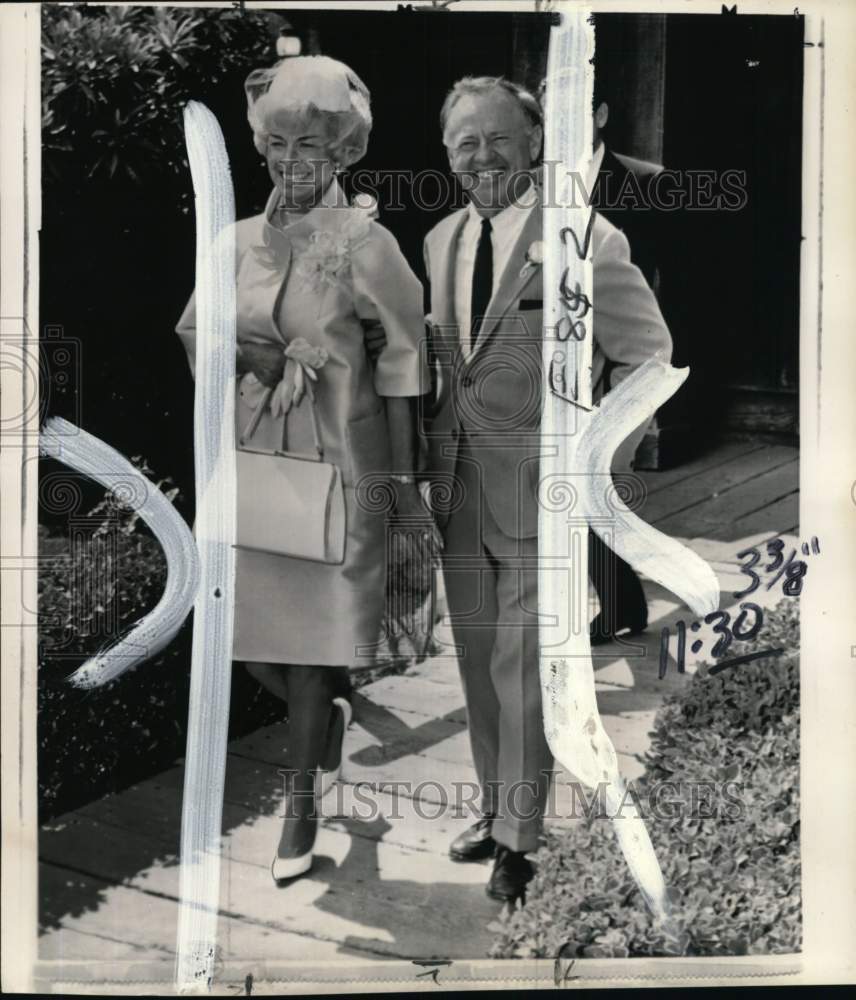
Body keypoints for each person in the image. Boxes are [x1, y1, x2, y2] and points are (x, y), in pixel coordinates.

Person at [176, 55, 430, 882]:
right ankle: (324, 722)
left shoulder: (368, 241)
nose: (293, 159)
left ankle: (299, 811)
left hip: (344, 466)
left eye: (313, 143)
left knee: (315, 645)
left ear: (344, 150)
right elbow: (196, 336)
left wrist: (403, 491)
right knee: (257, 651)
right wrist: (244, 354)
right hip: (255, 463)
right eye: (279, 141)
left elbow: (404, 368)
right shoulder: (236, 240)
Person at [422, 76, 672, 902]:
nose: (482, 156)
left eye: (499, 138)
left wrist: (596, 457)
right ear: (448, 154)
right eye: (465, 142)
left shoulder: (587, 240)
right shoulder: (439, 240)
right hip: (458, 490)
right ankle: (495, 810)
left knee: (522, 667)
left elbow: (648, 358)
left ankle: (519, 842)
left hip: (544, 496)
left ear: (534, 144)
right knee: (476, 664)